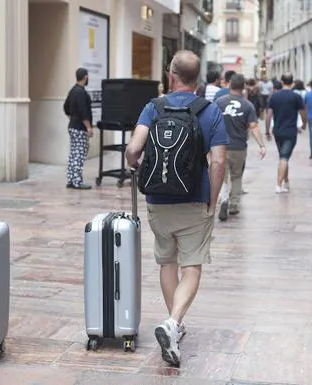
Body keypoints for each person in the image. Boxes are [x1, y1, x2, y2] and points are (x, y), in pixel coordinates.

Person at [125, 50, 228, 367]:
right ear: (197, 78)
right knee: (192, 266)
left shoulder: (153, 107)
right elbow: (219, 161)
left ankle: (174, 325)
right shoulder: (210, 111)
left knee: (166, 263)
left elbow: (133, 149)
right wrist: (213, 198)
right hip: (194, 198)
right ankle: (172, 322)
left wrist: (136, 166)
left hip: (158, 199)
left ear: (171, 75)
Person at [215, 74, 266, 221]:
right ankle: (234, 205)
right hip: (239, 147)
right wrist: (261, 145)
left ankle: (224, 199)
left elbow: (211, 123)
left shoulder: (219, 102)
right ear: (243, 87)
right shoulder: (247, 105)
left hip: (221, 146)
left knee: (222, 176)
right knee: (237, 176)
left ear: (229, 85)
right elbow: (254, 127)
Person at [265, 73, 306, 194]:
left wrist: (267, 131)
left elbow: (268, 115)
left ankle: (286, 181)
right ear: (292, 82)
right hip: (290, 131)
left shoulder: (274, 97)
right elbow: (303, 112)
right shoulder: (296, 97)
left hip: (277, 131)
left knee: (284, 156)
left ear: (282, 81)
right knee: (284, 157)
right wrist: (304, 124)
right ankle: (278, 185)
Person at [63, 67, 93, 190]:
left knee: (73, 154)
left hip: (72, 126)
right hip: (80, 128)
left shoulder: (72, 91)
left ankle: (71, 179)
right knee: (79, 154)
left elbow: (65, 108)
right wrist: (89, 127)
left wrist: (73, 117)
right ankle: (76, 181)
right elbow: (83, 112)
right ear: (85, 77)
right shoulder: (81, 93)